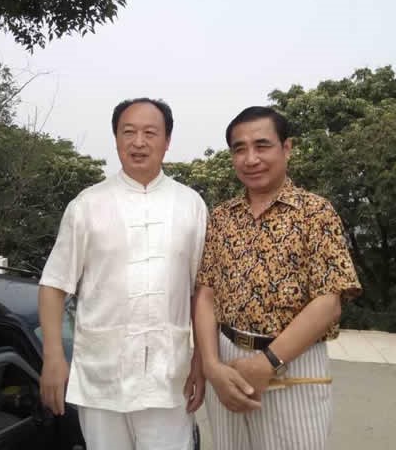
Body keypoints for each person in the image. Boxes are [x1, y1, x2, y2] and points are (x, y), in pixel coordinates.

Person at [39, 98, 207, 450]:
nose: (138, 142)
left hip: (168, 376)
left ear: (167, 140)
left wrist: (201, 359)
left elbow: (201, 291)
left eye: (150, 133)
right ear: (116, 138)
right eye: (128, 132)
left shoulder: (191, 205)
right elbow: (54, 284)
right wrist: (53, 357)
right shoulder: (86, 205)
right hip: (102, 376)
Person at [195, 106, 362, 450]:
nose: (251, 159)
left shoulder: (315, 212)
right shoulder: (222, 217)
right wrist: (210, 365)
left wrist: (267, 362)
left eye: (262, 145)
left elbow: (329, 301)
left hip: (293, 362)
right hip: (226, 361)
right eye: (239, 149)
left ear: (286, 148)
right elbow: (207, 293)